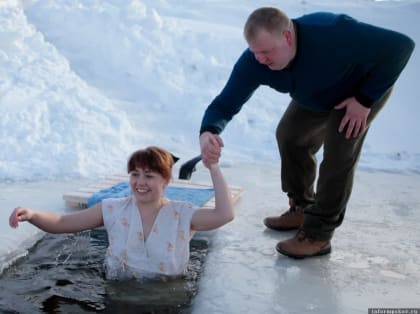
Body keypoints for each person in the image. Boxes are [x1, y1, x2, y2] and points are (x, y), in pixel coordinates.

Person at [199, 7, 415, 259]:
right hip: (315, 94)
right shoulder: (255, 61)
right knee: (290, 135)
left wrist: (365, 100)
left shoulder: (332, 32)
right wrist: (208, 131)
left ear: (287, 36)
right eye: (255, 52)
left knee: (339, 151)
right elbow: (225, 103)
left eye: (267, 52)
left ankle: (318, 234)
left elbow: (401, 46)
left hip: (360, 91)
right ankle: (302, 206)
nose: (261, 59)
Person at [9, 146, 234, 279]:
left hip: (166, 297)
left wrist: (213, 167)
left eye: (149, 176)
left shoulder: (182, 215)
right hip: (118, 293)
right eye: (135, 174)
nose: (140, 182)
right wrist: (33, 215)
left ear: (165, 180)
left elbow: (224, 214)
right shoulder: (113, 208)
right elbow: (62, 222)